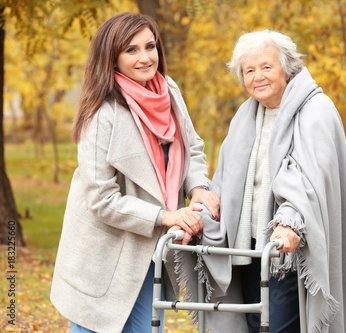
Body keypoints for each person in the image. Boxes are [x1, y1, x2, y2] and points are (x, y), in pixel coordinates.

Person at [185, 29, 346, 332]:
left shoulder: (316, 110)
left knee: (276, 327)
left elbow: (307, 179)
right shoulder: (245, 116)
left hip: (290, 251)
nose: (258, 77)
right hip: (247, 249)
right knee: (253, 324)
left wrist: (289, 223)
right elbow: (225, 182)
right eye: (249, 70)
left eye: (266, 67)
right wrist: (199, 216)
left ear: (286, 67)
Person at [50, 12, 220, 333]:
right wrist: (164, 216)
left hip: (149, 253)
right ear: (112, 58)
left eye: (150, 46)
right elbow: (101, 199)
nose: (145, 58)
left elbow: (192, 147)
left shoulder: (169, 91)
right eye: (131, 50)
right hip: (104, 255)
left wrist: (197, 187)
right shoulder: (102, 113)